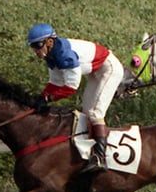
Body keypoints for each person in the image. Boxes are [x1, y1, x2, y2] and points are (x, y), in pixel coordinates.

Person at [26, 23, 124, 172]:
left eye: (37, 46)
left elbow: (71, 87)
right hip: (97, 71)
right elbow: (56, 82)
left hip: (109, 68)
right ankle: (88, 152)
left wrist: (48, 99)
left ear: (50, 42)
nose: (35, 50)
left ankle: (100, 158)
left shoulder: (64, 55)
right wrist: (40, 98)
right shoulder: (51, 56)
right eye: (33, 46)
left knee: (95, 112)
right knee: (86, 112)